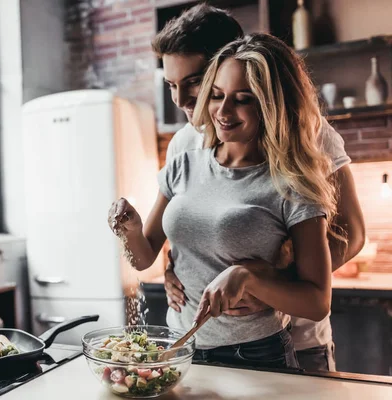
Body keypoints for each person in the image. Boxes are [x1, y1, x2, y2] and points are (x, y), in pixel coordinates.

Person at [109, 31, 352, 369]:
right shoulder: (183, 163)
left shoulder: (293, 182)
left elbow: (316, 301)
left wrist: (250, 278)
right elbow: (144, 256)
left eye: (243, 99)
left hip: (255, 353)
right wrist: (132, 230)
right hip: (181, 348)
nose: (223, 111)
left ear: (271, 105)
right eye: (217, 95)